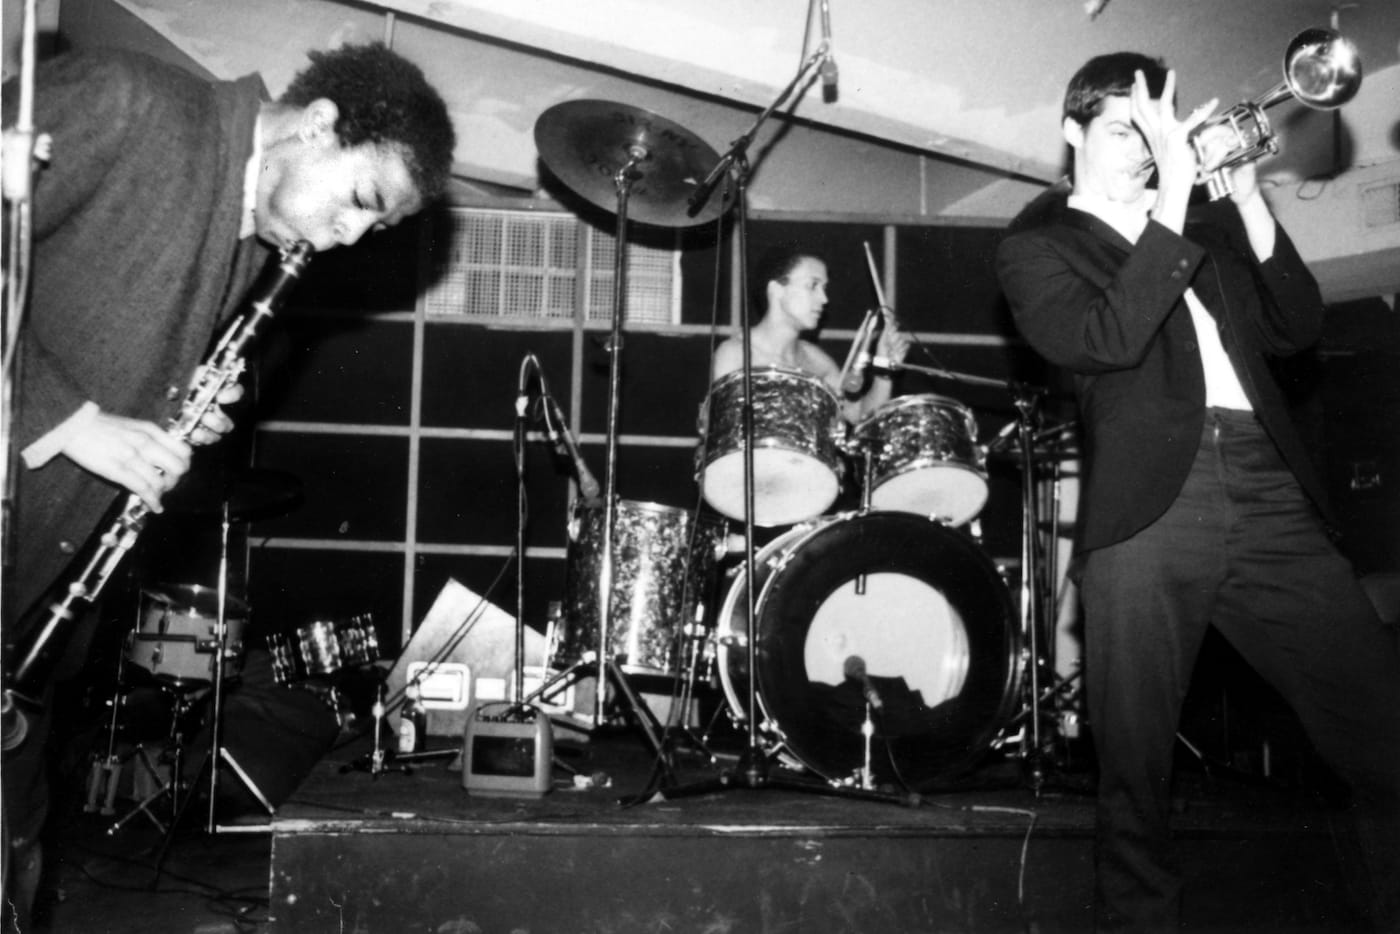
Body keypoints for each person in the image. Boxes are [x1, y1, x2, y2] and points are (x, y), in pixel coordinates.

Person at [1, 40, 455, 926]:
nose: (348, 237)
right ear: (316, 125)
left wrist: (181, 414)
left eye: (374, 229)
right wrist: (71, 423)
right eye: (360, 201)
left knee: (16, 855)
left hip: (37, 603)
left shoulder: (256, 246)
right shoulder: (127, 101)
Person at [995, 53, 1400, 931]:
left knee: (1379, 721)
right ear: (1070, 133)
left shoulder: (1210, 225)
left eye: (1155, 134)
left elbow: (1297, 326)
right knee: (1135, 773)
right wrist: (1175, 194)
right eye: (1122, 133)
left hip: (1265, 482)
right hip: (1149, 506)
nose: (1143, 152)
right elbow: (1106, 339)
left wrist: (1248, 200)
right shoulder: (1038, 243)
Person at [711, 247, 910, 424]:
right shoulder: (735, 354)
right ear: (776, 290)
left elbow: (860, 416)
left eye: (824, 288)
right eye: (813, 285)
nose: (824, 299)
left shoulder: (818, 362)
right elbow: (723, 430)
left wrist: (884, 369)